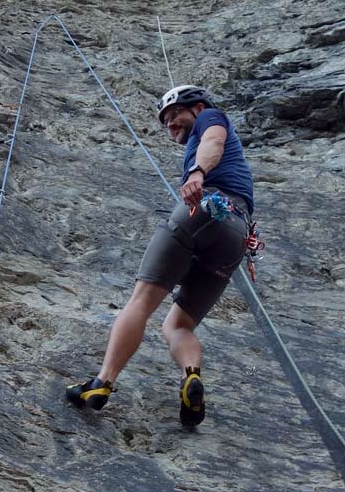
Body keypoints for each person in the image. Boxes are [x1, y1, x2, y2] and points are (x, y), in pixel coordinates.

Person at [66, 84, 255, 428]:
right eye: (164, 121)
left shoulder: (210, 117)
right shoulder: (214, 152)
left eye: (174, 115)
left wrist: (197, 173)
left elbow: (213, 141)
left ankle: (101, 383)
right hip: (235, 233)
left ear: (197, 108)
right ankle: (191, 378)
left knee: (141, 301)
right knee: (178, 324)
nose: (169, 124)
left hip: (203, 208)